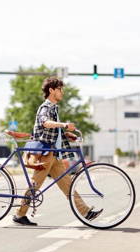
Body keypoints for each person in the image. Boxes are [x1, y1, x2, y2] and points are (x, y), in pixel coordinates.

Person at [13, 77, 102, 226]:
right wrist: (64, 125)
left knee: (68, 184)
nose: (62, 92)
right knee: (35, 186)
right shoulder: (46, 107)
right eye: (60, 89)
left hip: (53, 154)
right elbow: (45, 123)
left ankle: (86, 212)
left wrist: (65, 134)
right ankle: (19, 214)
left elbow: (52, 130)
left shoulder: (54, 108)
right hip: (45, 154)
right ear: (51, 90)